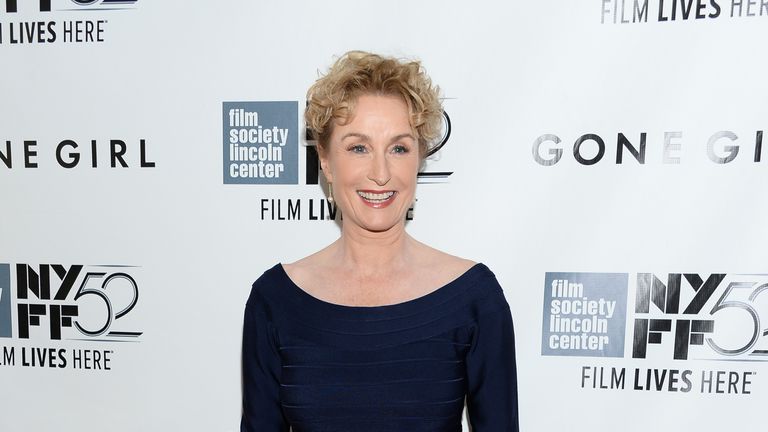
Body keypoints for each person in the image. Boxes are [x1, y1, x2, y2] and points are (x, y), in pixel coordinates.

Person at [241, 51, 518, 432]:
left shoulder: (474, 298)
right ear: (324, 159)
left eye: (399, 148)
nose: (381, 173)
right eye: (359, 147)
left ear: (418, 158)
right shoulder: (274, 300)